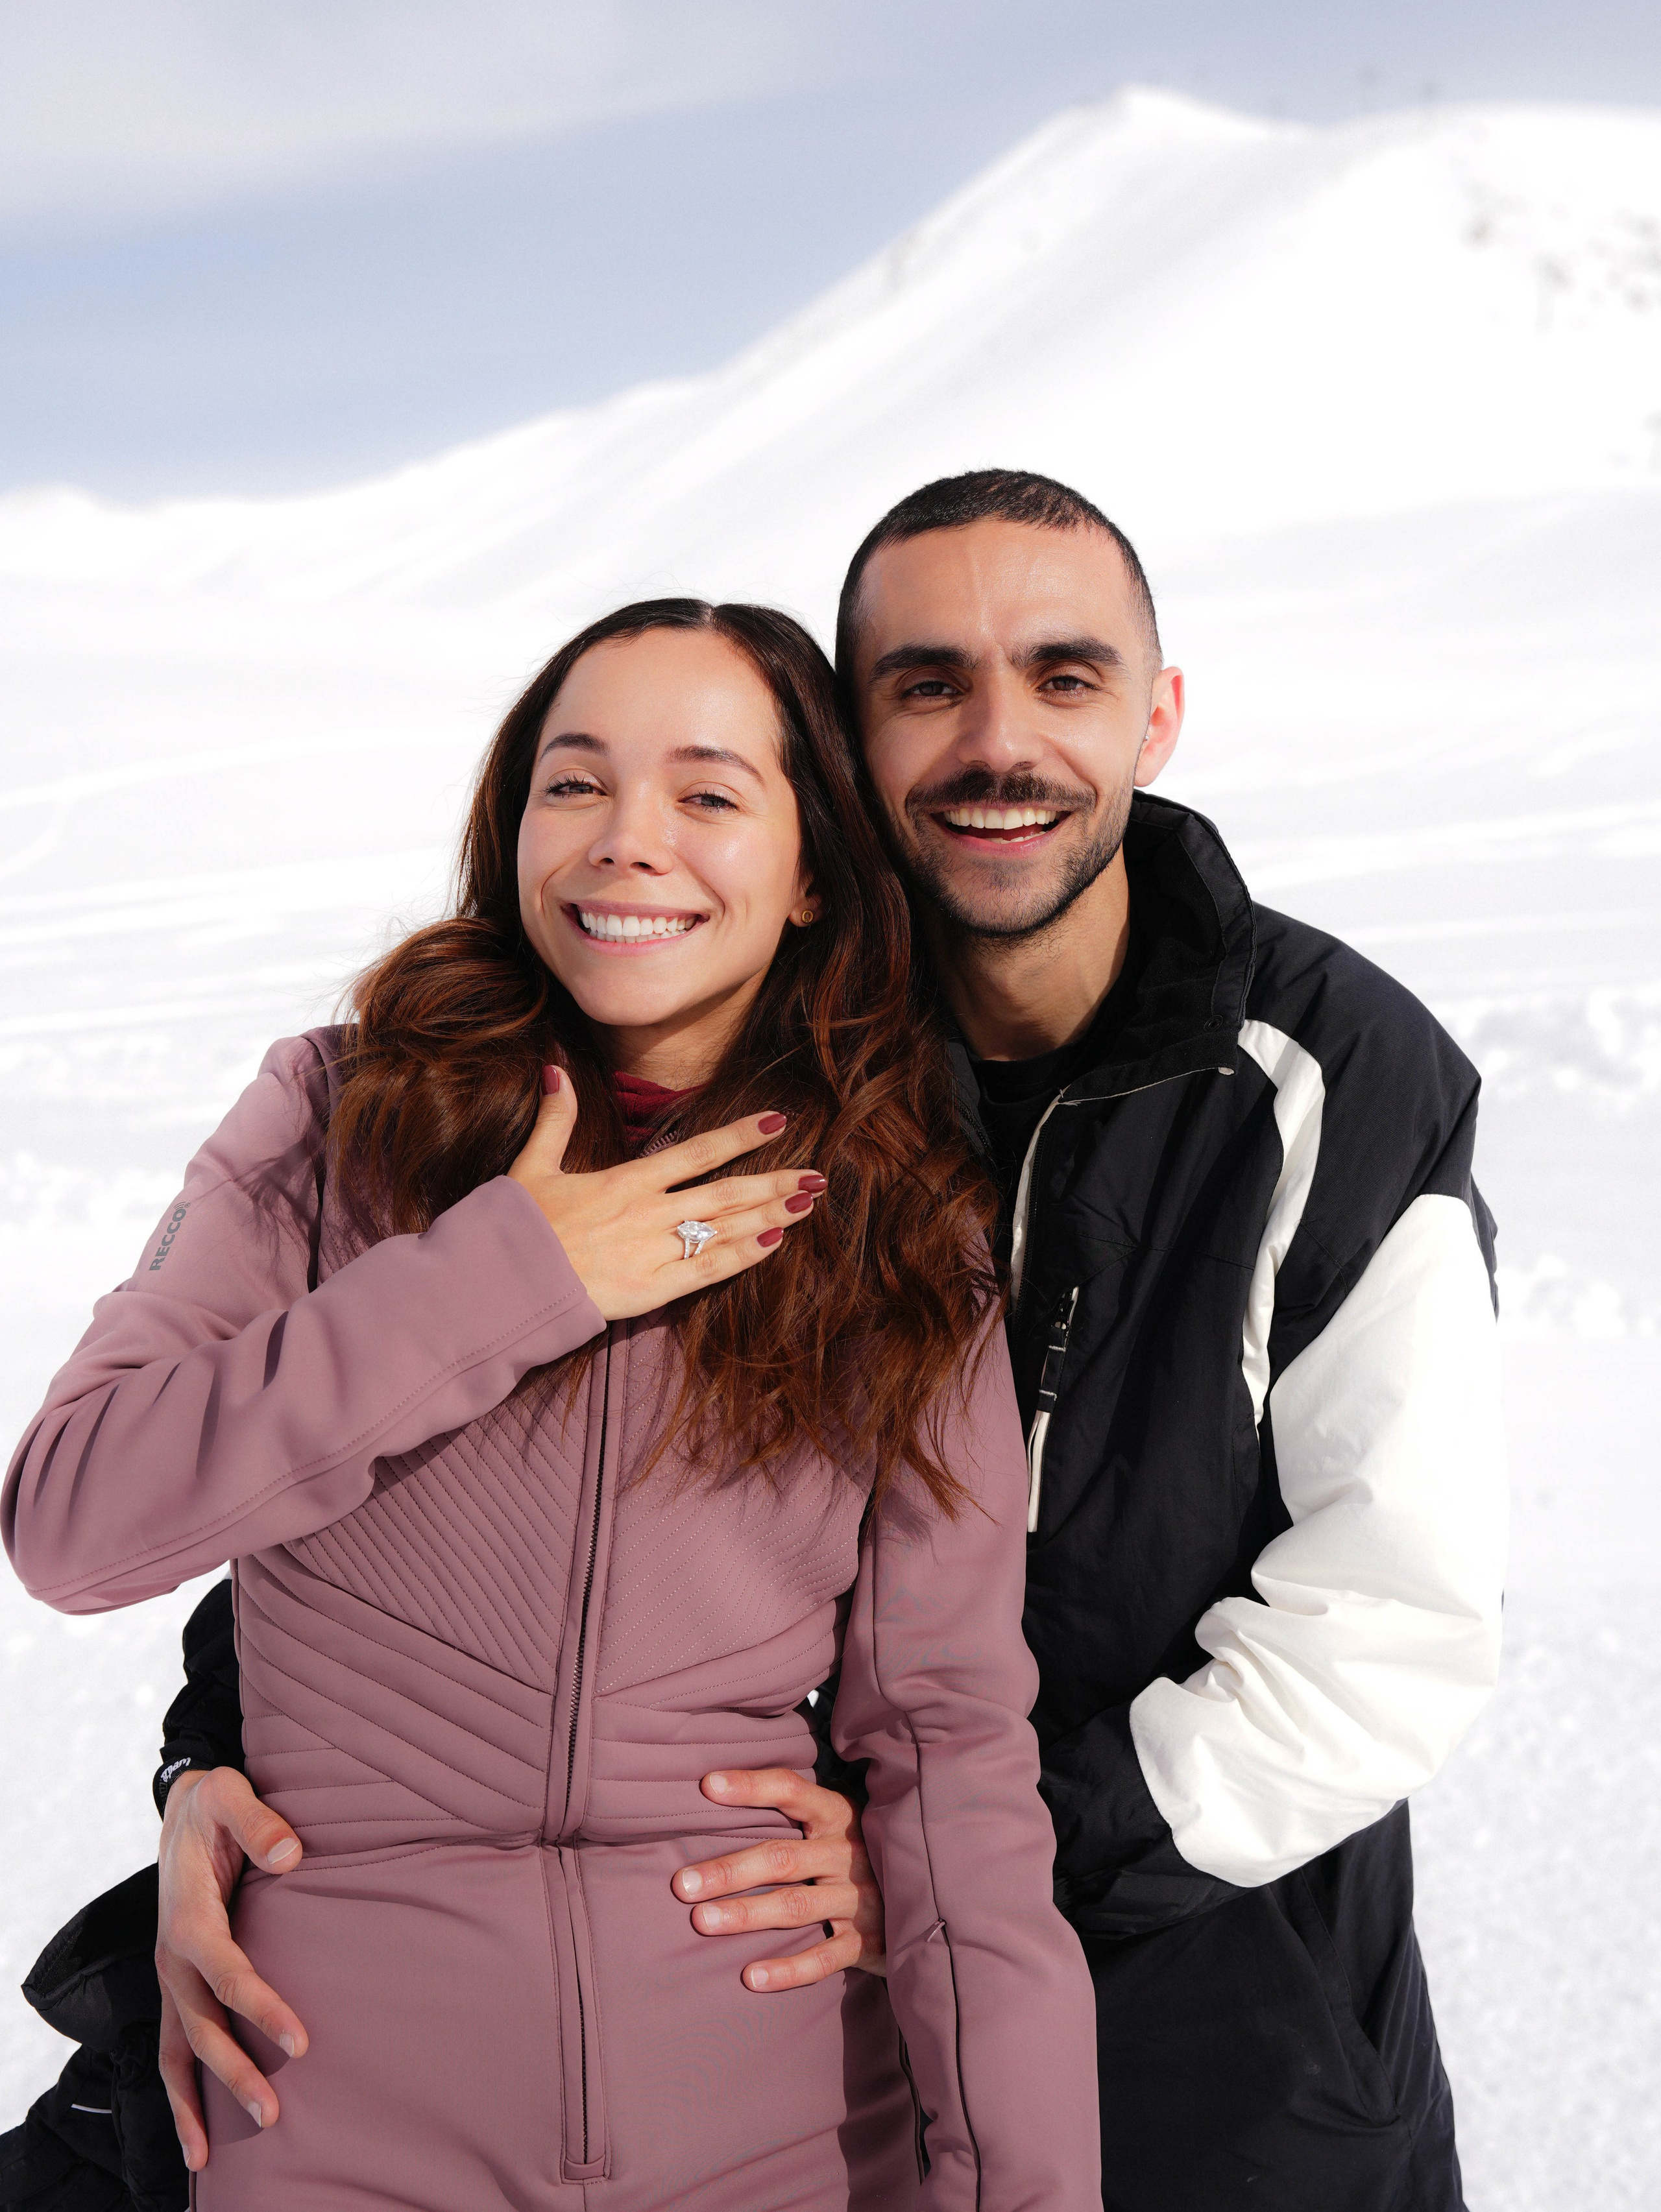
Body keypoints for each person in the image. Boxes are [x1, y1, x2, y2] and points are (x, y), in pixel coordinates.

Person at [34, 470, 1505, 2212]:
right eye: (926, 684)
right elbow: (292, 1515)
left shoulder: (1293, 1088)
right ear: (858, 776)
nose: (998, 739)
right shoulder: (441, 1117)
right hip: (526, 2056)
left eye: (1066, 674)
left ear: (1159, 715)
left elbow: (1390, 1625)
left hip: (1210, 2016)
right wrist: (219, 1750)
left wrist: (947, 1861)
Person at [3, 598, 1100, 2211]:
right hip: (331, 2115)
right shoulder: (329, 1121)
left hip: (784, 2127)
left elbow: (953, 1760)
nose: (623, 842)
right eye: (573, 785)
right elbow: (74, 1520)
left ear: (811, 876)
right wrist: (509, 1275)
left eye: (709, 795)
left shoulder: (891, 1217)